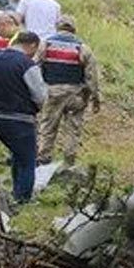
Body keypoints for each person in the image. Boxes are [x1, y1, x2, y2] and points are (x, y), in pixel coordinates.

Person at [0, 31, 47, 204]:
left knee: (17, 155)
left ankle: (16, 192)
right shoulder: (26, 64)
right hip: (20, 117)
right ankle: (23, 199)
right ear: (32, 45)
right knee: (28, 159)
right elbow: (40, 95)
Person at [38, 15, 100, 164]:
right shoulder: (82, 48)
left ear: (58, 27)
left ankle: (44, 157)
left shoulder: (46, 44)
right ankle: (69, 159)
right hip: (76, 95)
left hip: (52, 92)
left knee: (48, 126)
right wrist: (95, 98)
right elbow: (91, 77)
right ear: (74, 29)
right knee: (73, 128)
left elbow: (35, 66)